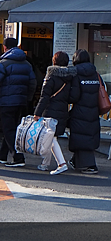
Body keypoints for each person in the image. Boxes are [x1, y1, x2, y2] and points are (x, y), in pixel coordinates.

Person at [33, 51, 79, 175]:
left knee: (51, 137)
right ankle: (45, 164)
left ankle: (61, 163)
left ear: (54, 61)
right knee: (51, 137)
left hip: (50, 110)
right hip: (63, 110)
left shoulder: (51, 76)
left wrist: (37, 113)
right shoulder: (69, 77)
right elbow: (71, 96)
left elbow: (44, 96)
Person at [0, 37, 36, 167]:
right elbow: (33, 83)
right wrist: (28, 99)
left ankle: (18, 157)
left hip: (6, 102)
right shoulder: (27, 64)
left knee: (8, 129)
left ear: (5, 47)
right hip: (21, 101)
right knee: (10, 128)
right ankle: (2, 156)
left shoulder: (3, 63)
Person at [68, 49, 101, 174]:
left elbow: (74, 96)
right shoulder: (95, 73)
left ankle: (90, 165)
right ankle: (76, 161)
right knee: (87, 135)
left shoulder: (76, 74)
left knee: (80, 136)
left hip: (79, 110)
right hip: (93, 110)